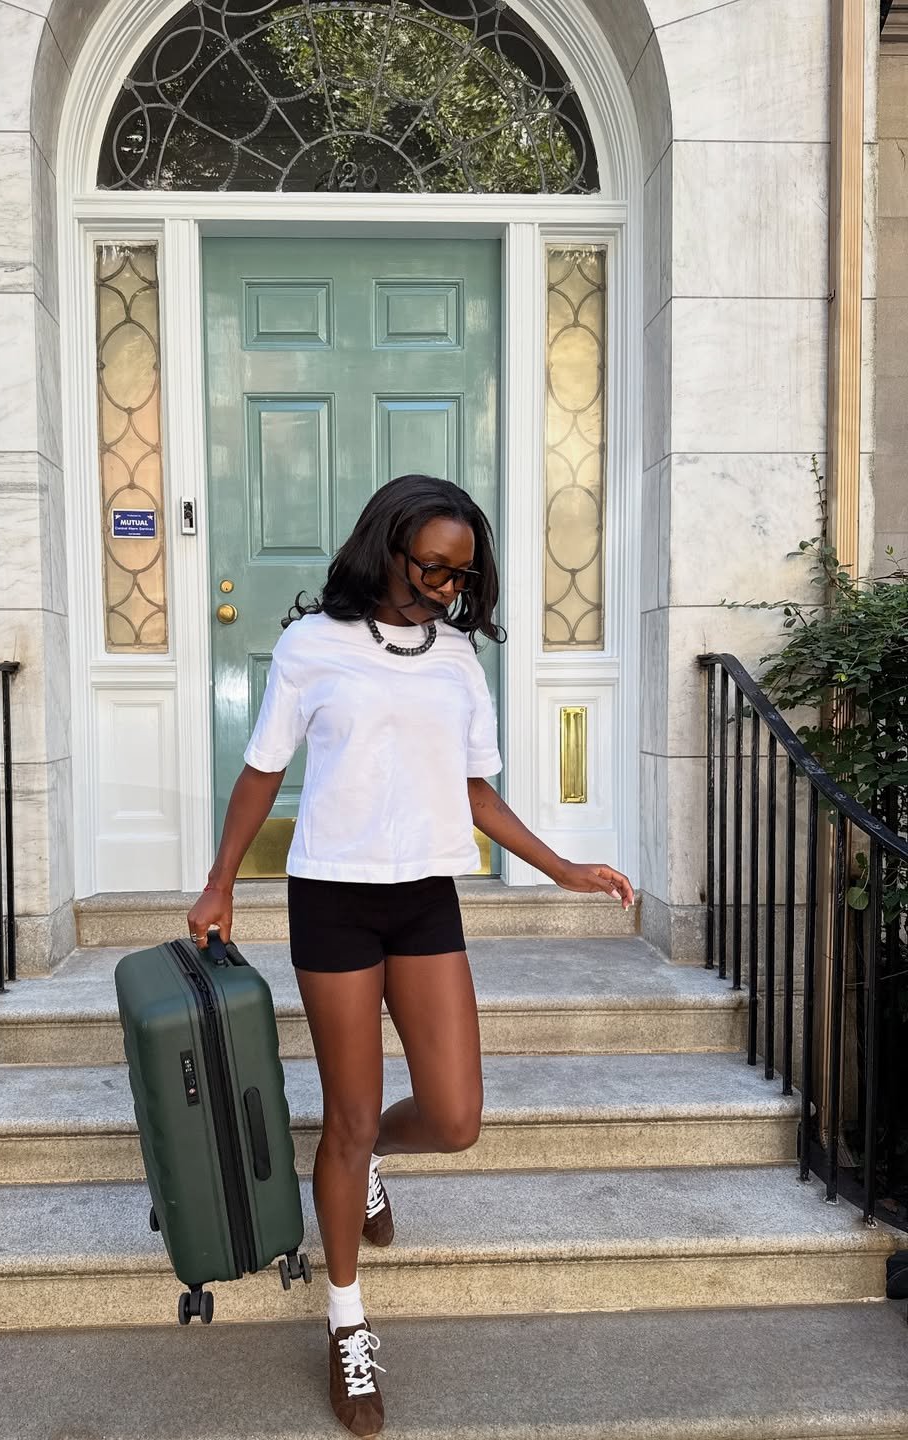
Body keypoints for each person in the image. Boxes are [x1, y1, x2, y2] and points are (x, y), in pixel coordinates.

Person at [187, 474, 634, 1436]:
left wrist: (560, 866)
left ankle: (366, 1164)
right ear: (388, 548)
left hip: (427, 896)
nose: (448, 586)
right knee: (348, 1115)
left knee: (456, 1116)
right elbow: (262, 771)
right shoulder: (312, 645)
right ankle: (346, 1322)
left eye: (463, 574)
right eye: (435, 567)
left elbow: (475, 791)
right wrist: (221, 883)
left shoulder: (459, 658)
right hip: (333, 900)